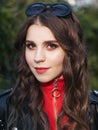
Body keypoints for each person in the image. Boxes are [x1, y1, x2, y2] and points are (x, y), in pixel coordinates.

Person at [0, 2, 98, 130]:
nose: (37, 58)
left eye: (51, 46)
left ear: (71, 51)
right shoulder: (5, 106)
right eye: (31, 46)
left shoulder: (94, 108)